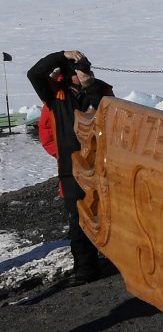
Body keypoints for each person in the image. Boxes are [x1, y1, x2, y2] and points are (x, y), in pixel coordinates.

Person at [27, 51, 114, 285]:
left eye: (85, 68)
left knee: (108, 212)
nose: (83, 72)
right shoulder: (56, 95)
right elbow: (34, 73)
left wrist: (90, 87)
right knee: (78, 218)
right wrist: (61, 55)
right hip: (70, 166)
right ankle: (86, 269)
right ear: (67, 73)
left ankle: (116, 259)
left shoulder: (101, 91)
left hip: (100, 164)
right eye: (77, 69)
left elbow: (107, 117)